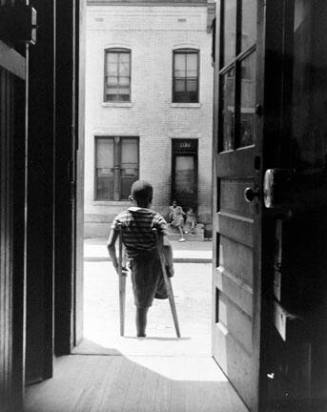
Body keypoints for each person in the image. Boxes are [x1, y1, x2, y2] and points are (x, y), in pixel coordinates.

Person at [107, 180, 174, 338]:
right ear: (151, 199)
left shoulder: (121, 218)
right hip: (155, 263)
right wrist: (170, 265)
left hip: (137, 264)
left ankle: (141, 334)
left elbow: (110, 245)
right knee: (149, 298)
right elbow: (166, 246)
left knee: (141, 305)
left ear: (131, 198)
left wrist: (117, 265)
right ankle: (141, 334)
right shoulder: (156, 218)